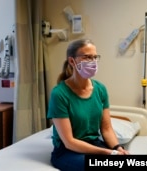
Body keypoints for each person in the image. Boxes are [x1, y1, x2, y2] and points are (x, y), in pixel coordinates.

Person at [47, 38, 129, 171]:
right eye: (87, 57)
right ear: (72, 61)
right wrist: (107, 153)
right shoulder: (59, 94)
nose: (93, 62)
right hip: (67, 151)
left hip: (94, 145)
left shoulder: (100, 89)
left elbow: (107, 129)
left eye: (95, 57)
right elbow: (69, 142)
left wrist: (117, 148)